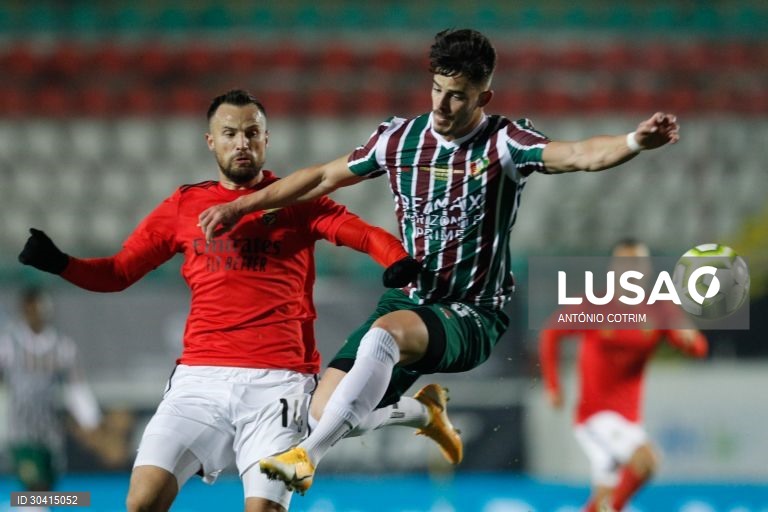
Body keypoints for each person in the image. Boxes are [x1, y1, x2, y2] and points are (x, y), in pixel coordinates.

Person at [196, 29, 681, 494]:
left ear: (483, 98)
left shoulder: (505, 142)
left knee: (382, 339)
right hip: (409, 301)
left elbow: (578, 154)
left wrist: (635, 142)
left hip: (473, 313)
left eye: (457, 96)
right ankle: (424, 412)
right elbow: (323, 177)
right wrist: (242, 206)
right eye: (437, 89)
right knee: (328, 413)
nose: (441, 105)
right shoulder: (399, 139)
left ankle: (306, 457)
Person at [17, 89, 459, 512]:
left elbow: (362, 234)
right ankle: (420, 411)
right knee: (142, 501)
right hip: (199, 382)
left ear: (266, 139)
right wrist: (61, 263)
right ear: (211, 142)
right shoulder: (185, 206)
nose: (241, 143)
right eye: (229, 133)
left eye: (251, 132)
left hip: (279, 382)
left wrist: (397, 259)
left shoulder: (297, 199)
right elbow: (118, 273)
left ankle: (420, 411)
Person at [538, 239, 709, 512]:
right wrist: (553, 386)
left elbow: (698, 349)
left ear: (648, 268)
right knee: (646, 461)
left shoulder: (659, 308)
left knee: (603, 502)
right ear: (613, 269)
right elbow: (551, 333)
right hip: (595, 415)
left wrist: (690, 340)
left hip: (629, 418)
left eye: (637, 262)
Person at [0, 287, 102, 495]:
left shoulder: (62, 346)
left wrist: (90, 420)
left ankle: (23, 506)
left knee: (47, 490)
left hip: (50, 432)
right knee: (34, 486)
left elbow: (76, 386)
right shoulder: (9, 344)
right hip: (21, 431)